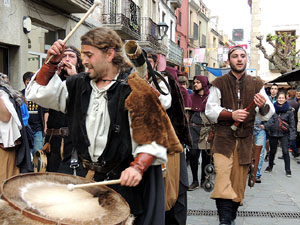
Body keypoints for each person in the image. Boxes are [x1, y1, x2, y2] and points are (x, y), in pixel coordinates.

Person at [26, 27, 183, 225]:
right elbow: (37, 93)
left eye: (89, 55)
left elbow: (152, 136)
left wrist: (137, 167)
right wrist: (50, 63)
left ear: (109, 54)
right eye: (83, 55)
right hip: (83, 180)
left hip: (122, 184)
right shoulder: (76, 84)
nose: (83, 60)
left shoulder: (134, 88)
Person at [205, 46, 274, 225]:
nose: (239, 59)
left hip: (245, 142)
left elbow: (267, 113)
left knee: (238, 183)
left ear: (246, 60)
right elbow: (210, 110)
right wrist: (231, 114)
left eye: (242, 56)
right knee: (222, 180)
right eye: (235, 56)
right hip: (223, 140)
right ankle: (225, 221)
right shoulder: (219, 83)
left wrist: (262, 105)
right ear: (229, 61)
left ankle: (231, 216)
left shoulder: (256, 83)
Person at [145, 50, 190, 225]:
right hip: (140, 144)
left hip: (167, 143)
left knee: (173, 191)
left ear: (155, 63)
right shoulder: (127, 80)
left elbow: (166, 102)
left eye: (148, 61)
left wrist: (147, 86)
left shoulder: (163, 80)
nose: (145, 65)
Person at [44, 45, 85, 173]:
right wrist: (54, 74)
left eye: (71, 57)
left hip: (72, 143)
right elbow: (43, 96)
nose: (67, 59)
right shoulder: (54, 80)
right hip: (52, 141)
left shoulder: (84, 80)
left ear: (78, 62)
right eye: (64, 56)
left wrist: (74, 76)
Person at [0, 73, 33, 188]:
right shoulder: (8, 94)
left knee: (5, 184)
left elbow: (6, 117)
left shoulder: (3, 94)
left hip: (5, 147)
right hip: (10, 145)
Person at [188, 75, 212, 191]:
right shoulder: (191, 97)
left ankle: (204, 179)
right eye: (194, 82)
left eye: (198, 82)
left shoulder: (211, 97)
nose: (195, 84)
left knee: (206, 156)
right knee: (193, 154)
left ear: (203, 83)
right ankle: (195, 181)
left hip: (207, 129)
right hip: (194, 129)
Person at [264, 91, 295, 177]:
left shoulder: (289, 110)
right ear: (277, 98)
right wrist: (266, 127)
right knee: (272, 151)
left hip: (284, 133)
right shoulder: (272, 109)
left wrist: (292, 136)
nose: (281, 99)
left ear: (286, 99)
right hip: (273, 132)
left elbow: (292, 124)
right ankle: (270, 166)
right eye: (279, 98)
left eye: (282, 98)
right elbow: (268, 119)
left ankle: (288, 170)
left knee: (285, 151)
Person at [21, 72, 48, 157]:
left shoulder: (39, 95)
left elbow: (46, 111)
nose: (29, 84)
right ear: (24, 82)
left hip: (38, 127)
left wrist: (45, 126)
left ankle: (38, 169)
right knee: (26, 152)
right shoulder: (20, 95)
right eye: (28, 82)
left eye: (32, 82)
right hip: (25, 128)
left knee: (38, 152)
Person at [253, 116, 266, 183]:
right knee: (247, 151)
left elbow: (272, 116)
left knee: (260, 153)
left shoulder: (267, 105)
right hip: (247, 130)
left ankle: (256, 174)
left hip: (260, 130)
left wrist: (266, 125)